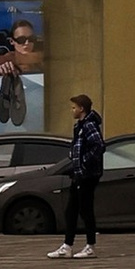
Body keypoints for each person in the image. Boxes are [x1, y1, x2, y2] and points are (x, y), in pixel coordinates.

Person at [50, 93, 105, 259]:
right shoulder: (79, 126)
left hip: (87, 175)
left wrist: (83, 162)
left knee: (85, 209)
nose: (71, 110)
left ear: (82, 109)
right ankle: (67, 246)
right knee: (71, 210)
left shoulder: (89, 125)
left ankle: (90, 246)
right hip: (79, 174)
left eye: (74, 107)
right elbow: (77, 147)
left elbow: (99, 146)